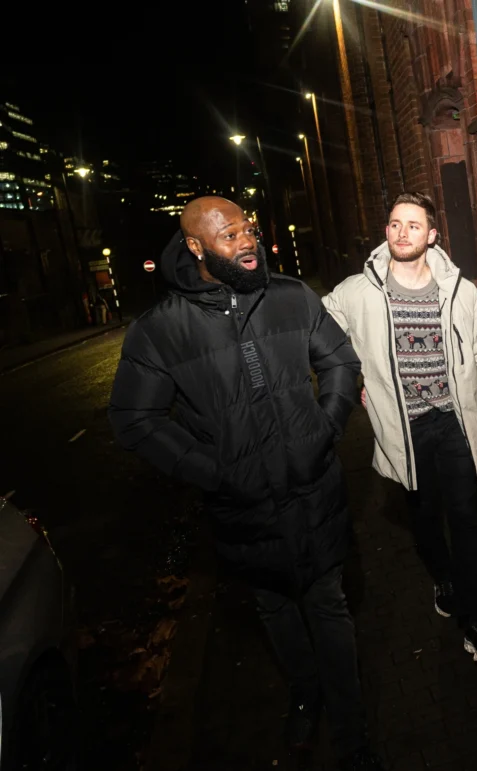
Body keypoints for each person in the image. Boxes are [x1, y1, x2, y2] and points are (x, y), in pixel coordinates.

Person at [108, 197, 384, 771]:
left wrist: (325, 427)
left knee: (329, 607)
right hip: (244, 509)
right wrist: (214, 471)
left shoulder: (289, 295)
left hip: (316, 492)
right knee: (276, 609)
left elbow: (340, 361)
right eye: (228, 234)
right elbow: (135, 420)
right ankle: (305, 696)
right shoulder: (160, 330)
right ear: (195, 247)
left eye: (247, 229)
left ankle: (354, 735)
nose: (245, 241)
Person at [322, 192, 477, 664]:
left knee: (467, 519)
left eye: (413, 224)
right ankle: (443, 577)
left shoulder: (460, 292)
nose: (401, 232)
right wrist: (349, 382)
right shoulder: (356, 291)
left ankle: (475, 621)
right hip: (404, 427)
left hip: (456, 421)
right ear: (386, 232)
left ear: (431, 235)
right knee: (424, 515)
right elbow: (317, 337)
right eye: (394, 223)